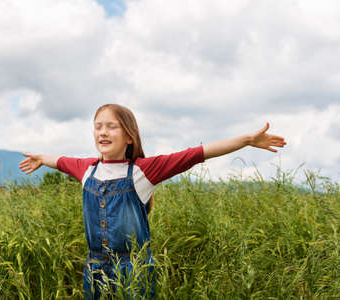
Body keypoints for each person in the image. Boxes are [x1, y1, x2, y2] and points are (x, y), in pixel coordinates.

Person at [19, 104, 287, 299]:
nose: (102, 132)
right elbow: (60, 161)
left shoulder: (144, 170)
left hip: (133, 268)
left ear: (129, 136)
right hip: (95, 269)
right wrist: (42, 158)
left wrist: (247, 140)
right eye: (98, 126)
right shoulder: (86, 169)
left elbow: (196, 154)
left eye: (111, 126)